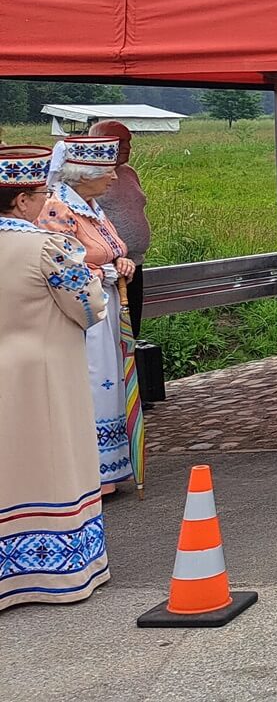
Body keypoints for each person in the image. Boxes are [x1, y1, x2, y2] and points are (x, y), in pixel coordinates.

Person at [0, 145, 112, 612]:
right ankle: (57, 569)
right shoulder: (49, 246)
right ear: (22, 202)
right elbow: (90, 306)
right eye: (42, 192)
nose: (49, 199)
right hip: (45, 370)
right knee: (52, 462)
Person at [39, 135, 136, 494]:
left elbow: (109, 250)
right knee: (93, 381)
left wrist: (119, 262)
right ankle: (90, 472)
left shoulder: (91, 206)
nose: (114, 178)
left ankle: (109, 468)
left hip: (105, 304)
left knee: (108, 380)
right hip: (82, 314)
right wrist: (107, 271)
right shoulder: (56, 209)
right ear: (84, 174)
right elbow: (62, 263)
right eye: (108, 171)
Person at [88, 121, 151, 336]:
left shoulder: (129, 173)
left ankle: (128, 370)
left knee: (131, 331)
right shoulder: (86, 178)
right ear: (98, 142)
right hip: (106, 271)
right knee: (110, 335)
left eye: (129, 142)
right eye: (121, 142)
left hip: (134, 265)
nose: (128, 148)